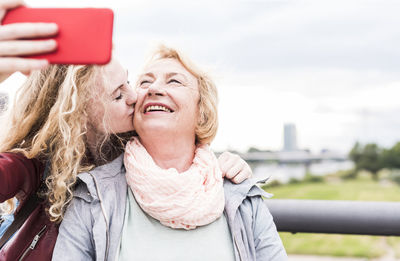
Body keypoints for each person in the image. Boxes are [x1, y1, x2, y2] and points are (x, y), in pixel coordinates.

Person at [0, 1, 253, 259]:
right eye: (118, 95)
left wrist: (219, 164)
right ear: (78, 117)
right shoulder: (34, 165)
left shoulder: (133, 154)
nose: (135, 96)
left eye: (129, 82)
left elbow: (179, 145)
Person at [53, 46, 287, 260]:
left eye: (174, 81)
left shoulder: (241, 197)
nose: (154, 89)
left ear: (202, 112)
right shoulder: (93, 196)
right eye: (144, 82)